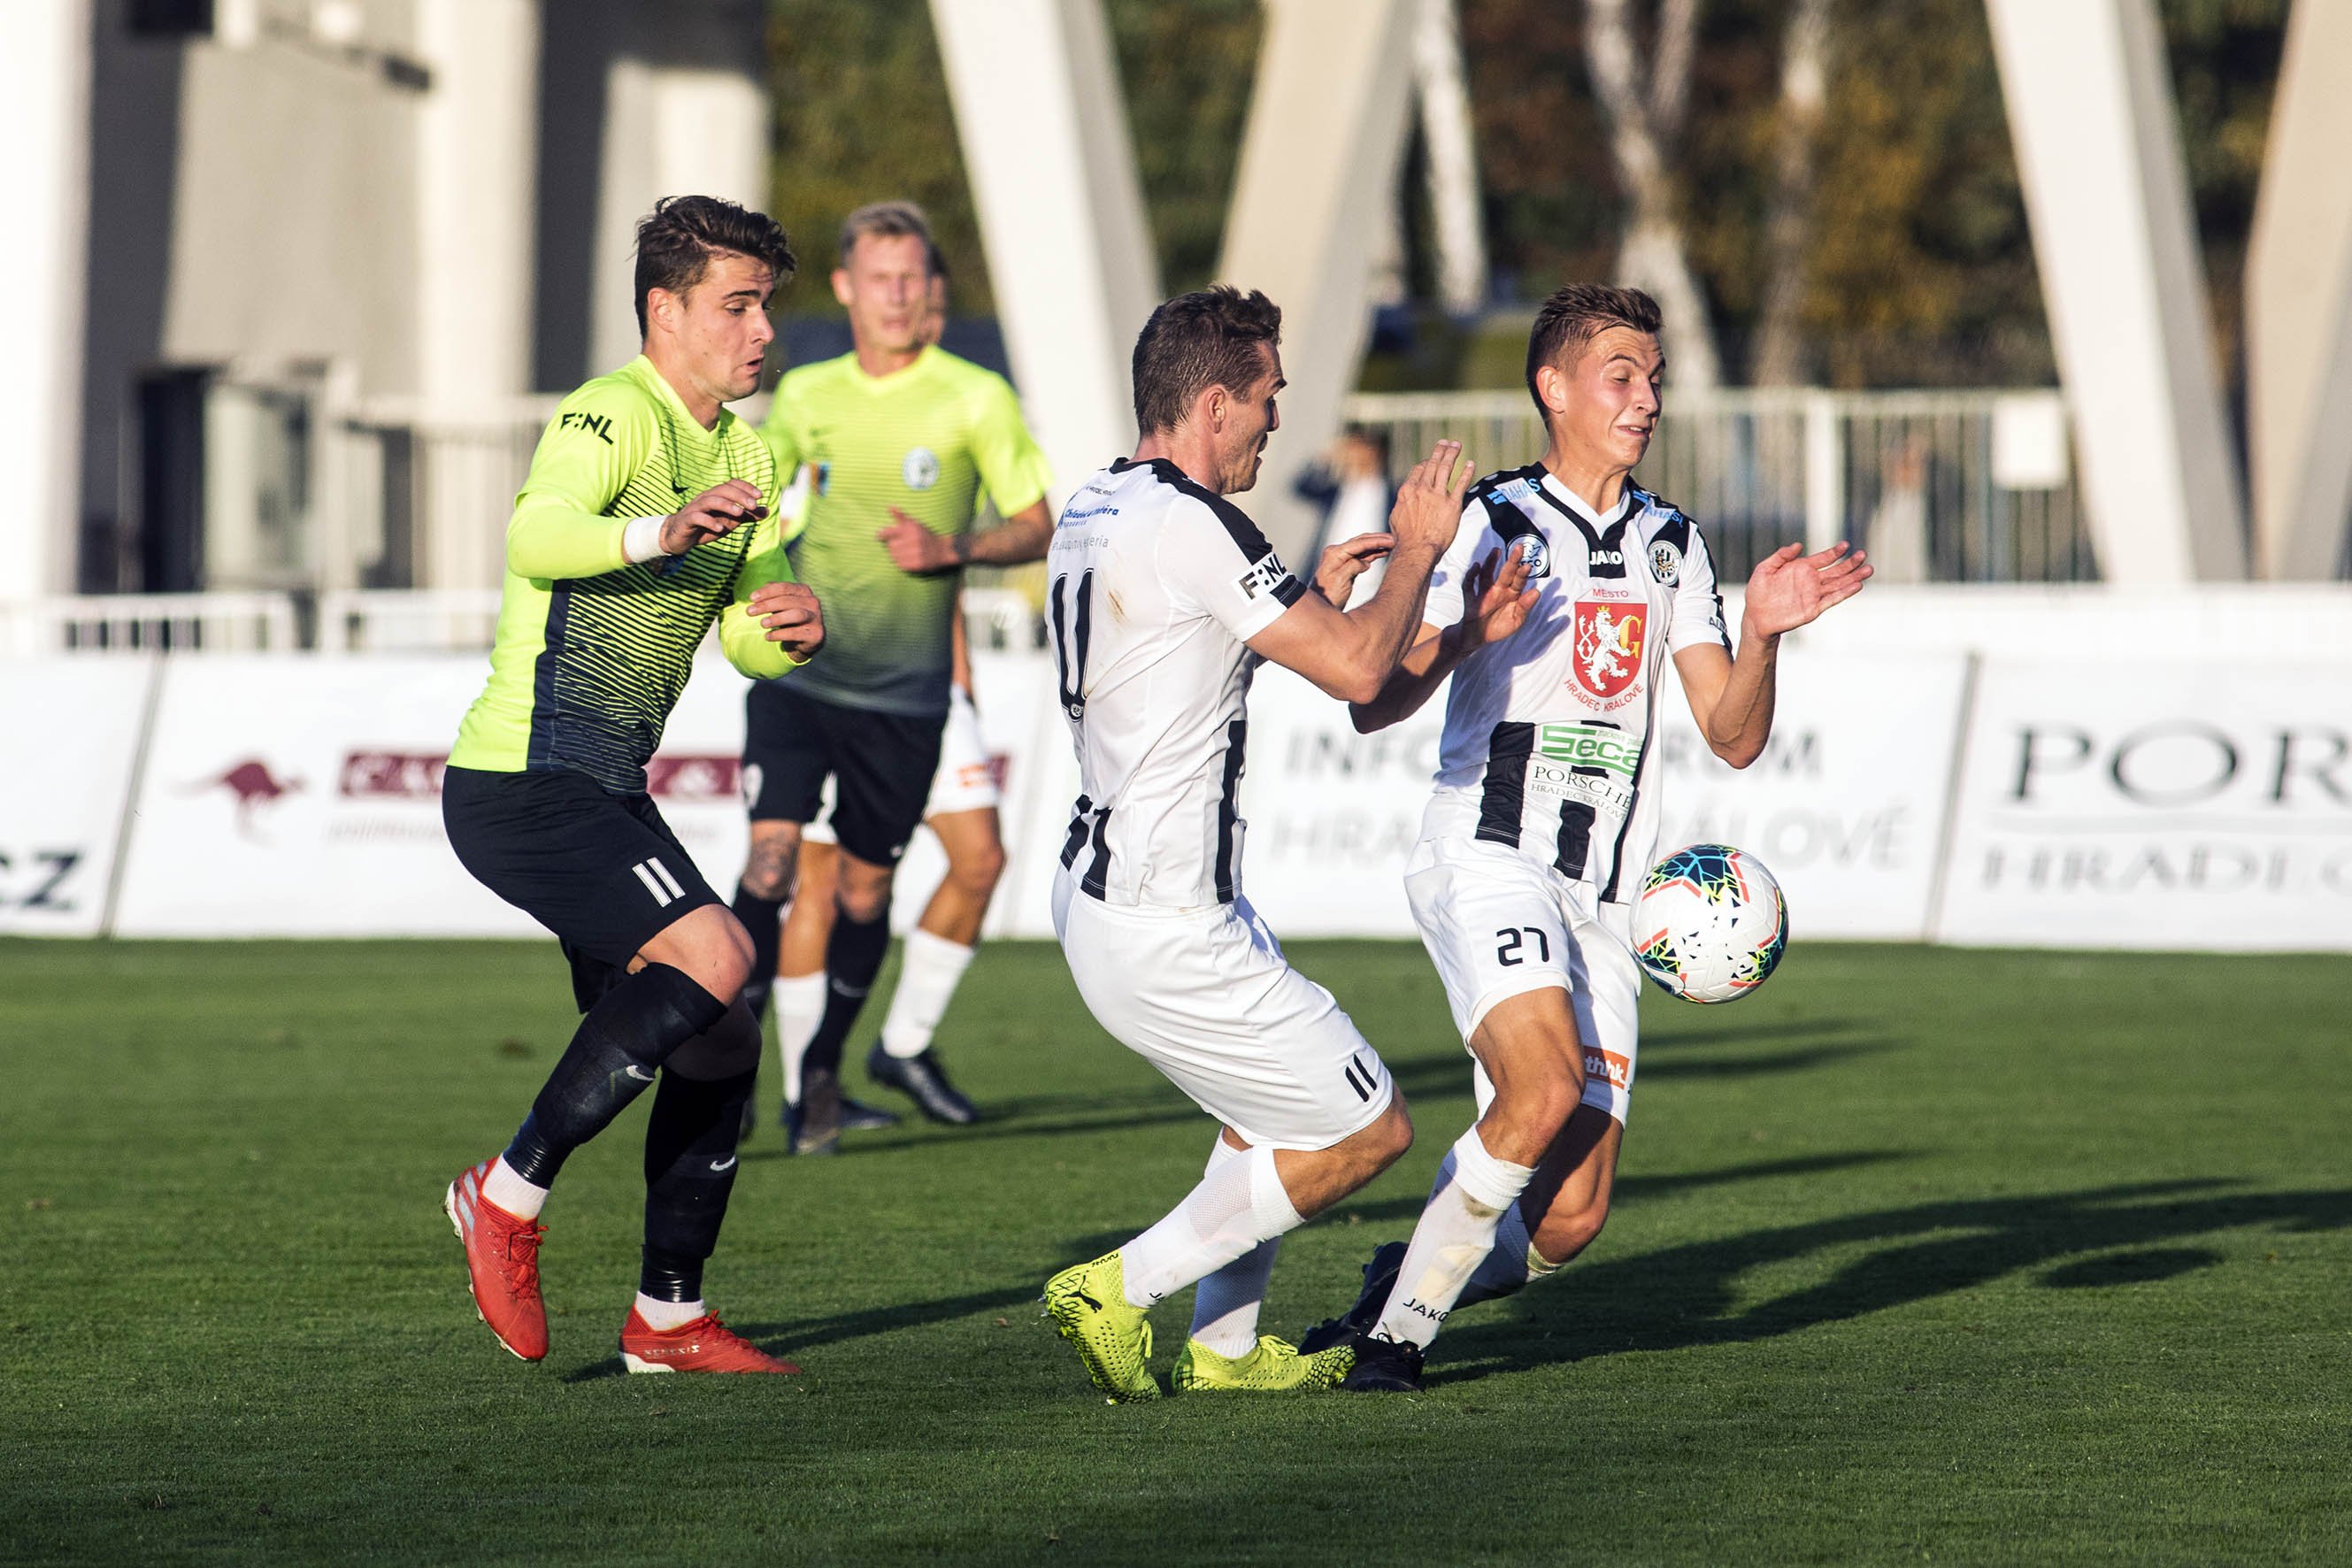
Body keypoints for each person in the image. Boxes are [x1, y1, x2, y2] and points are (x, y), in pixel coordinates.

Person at [1308, 283, 1872, 1392]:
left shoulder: (1673, 544)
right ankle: (1393, 1342)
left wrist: (1763, 633)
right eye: (1622, 375)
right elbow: (1375, 700)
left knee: (1569, 1218)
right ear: (1553, 388)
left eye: (1655, 378)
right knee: (1542, 1087)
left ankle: (1403, 1274)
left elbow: (1733, 735)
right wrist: (1465, 630)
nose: (1647, 398)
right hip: (1488, 854)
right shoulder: (1488, 520)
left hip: (1607, 903)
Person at [1037, 285, 1472, 1401]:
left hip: (1111, 891)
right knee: (1369, 1128)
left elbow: (1185, 655)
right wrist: (1421, 552)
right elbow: (1361, 671)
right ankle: (1119, 1285)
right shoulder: (1195, 523)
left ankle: (1224, 1349)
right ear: (1214, 403)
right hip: (1164, 915)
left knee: (1264, 1111)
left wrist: (1321, 601)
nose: (1278, 420)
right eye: (1268, 395)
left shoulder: (1096, 503)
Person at [438, 196, 823, 1375]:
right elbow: (535, 538)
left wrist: (790, 627)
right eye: (736, 305)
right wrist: (662, 530)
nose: (761, 330)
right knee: (719, 954)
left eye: (765, 305)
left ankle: (667, 1319)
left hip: (603, 785)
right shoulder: (609, 415)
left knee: (722, 1038)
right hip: (523, 778)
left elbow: (746, 633)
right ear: (665, 310)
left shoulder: (749, 454)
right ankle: (503, 1195)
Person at [734, 203, 1054, 1155]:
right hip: (801, 678)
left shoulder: (976, 397)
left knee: (866, 895)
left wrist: (955, 547)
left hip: (906, 701)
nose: (898, 295)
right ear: (845, 287)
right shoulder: (806, 395)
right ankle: (727, 1066)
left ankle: (823, 1073)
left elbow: (1036, 523)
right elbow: (754, 501)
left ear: (930, 286)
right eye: (880, 278)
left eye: (912, 277)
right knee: (771, 864)